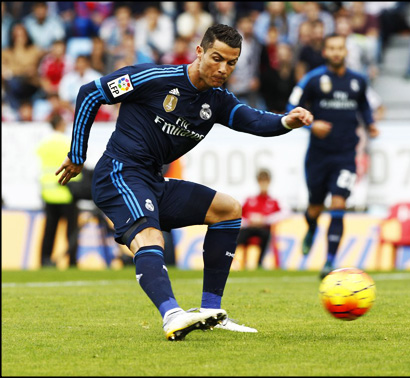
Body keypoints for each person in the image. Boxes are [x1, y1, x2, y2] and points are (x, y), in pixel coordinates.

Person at [55, 24, 313, 341]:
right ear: (200, 51)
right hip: (120, 172)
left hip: (154, 182)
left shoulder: (217, 101)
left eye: (231, 63)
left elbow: (255, 120)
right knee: (150, 236)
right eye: (217, 58)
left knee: (228, 209)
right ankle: (171, 315)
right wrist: (77, 154)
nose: (223, 68)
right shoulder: (153, 78)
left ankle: (210, 311)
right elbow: (91, 93)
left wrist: (287, 120)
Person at [286, 33, 379, 280]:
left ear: (345, 51)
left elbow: (365, 106)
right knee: (315, 207)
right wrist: (310, 125)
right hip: (318, 156)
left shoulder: (358, 81)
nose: (337, 52)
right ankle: (311, 226)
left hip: (347, 156)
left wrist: (370, 124)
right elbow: (290, 106)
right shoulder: (313, 79)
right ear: (325, 52)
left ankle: (329, 262)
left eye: (340, 48)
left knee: (338, 203)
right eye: (332, 48)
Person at [37, 114, 81, 267]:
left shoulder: (44, 144)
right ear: (60, 124)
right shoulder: (67, 142)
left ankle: (44, 259)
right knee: (72, 231)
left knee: (49, 231)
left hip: (49, 193)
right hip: (67, 192)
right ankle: (72, 261)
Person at [236, 169, 284, 268]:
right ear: (258, 182)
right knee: (238, 236)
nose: (263, 183)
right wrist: (248, 221)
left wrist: (265, 219)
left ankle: (259, 263)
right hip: (249, 228)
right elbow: (238, 214)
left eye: (265, 180)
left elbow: (285, 213)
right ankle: (233, 261)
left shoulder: (273, 200)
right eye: (261, 180)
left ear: (269, 181)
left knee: (266, 236)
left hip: (264, 229)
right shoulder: (250, 199)